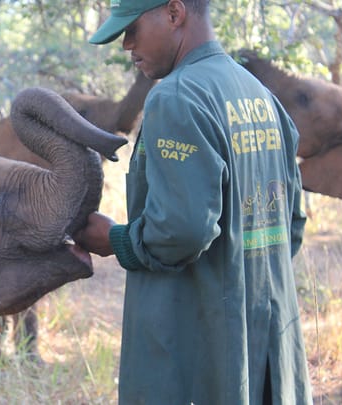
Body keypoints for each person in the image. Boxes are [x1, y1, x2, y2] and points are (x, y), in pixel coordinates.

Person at [74, 0, 313, 404]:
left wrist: (115, 240)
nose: (126, 45)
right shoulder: (260, 97)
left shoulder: (176, 96)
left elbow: (182, 230)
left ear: (174, 13)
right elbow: (291, 225)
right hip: (269, 345)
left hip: (195, 359)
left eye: (132, 28)